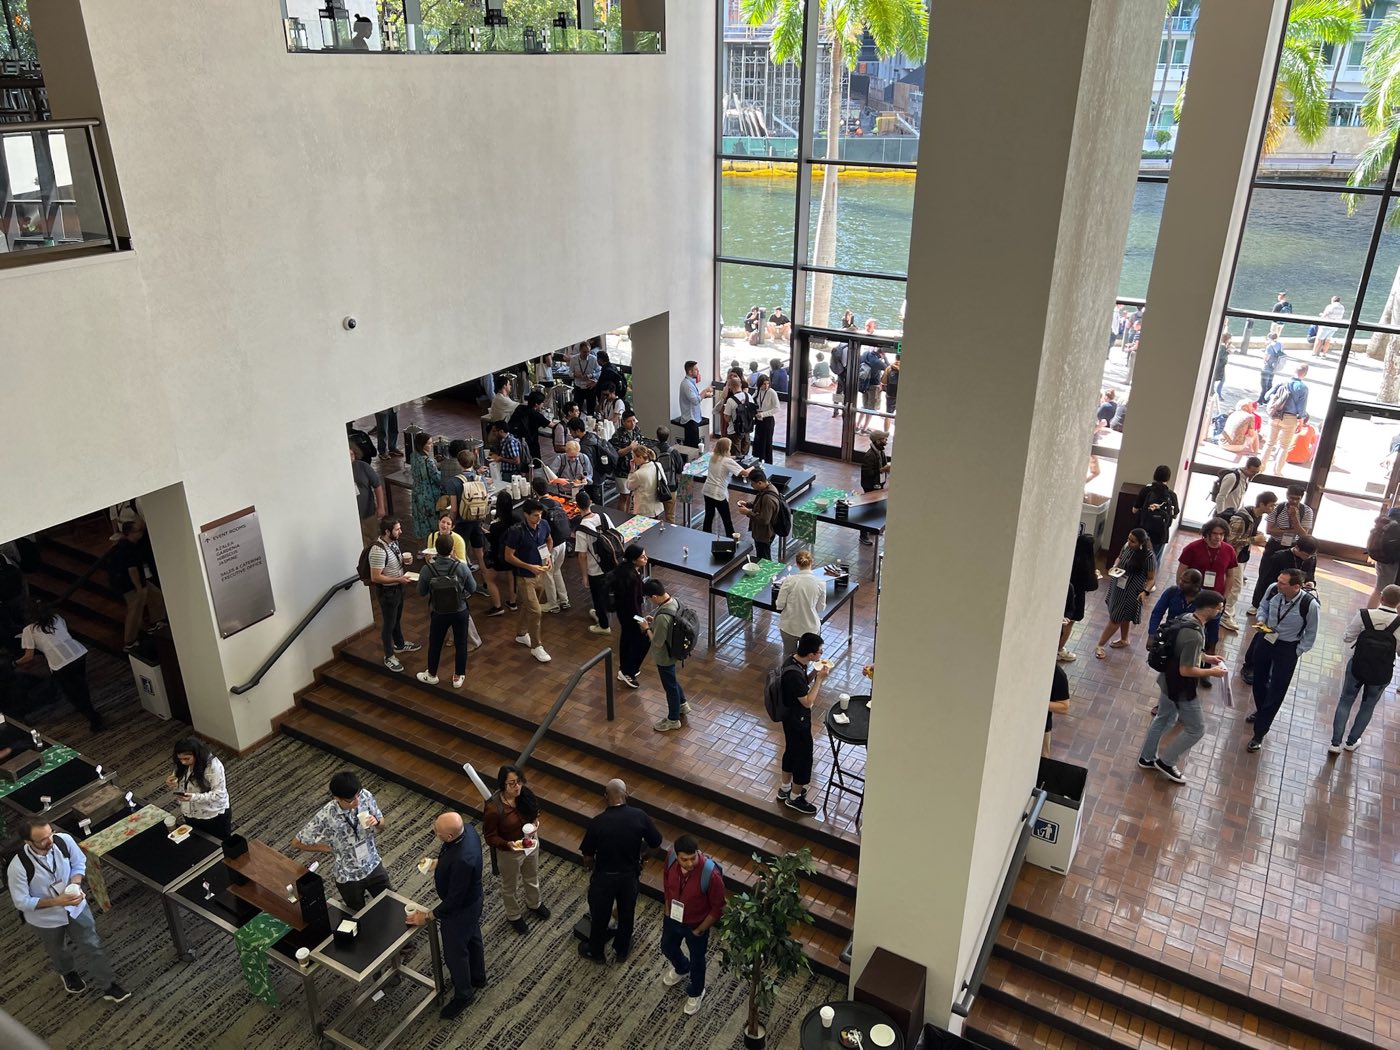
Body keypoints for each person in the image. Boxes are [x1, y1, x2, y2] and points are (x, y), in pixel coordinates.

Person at [7, 817, 128, 1003]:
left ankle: (108, 985)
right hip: (46, 919)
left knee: (92, 945)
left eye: (50, 835)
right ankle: (67, 972)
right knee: (57, 950)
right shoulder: (18, 867)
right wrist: (57, 901)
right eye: (42, 840)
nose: (50, 841)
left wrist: (76, 884)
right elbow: (22, 902)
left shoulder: (63, 841)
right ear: (28, 842)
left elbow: (78, 863)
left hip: (76, 907)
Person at [1137, 590, 1228, 784]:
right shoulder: (1194, 634)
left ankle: (1146, 757)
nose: (1220, 612)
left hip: (1166, 680)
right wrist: (1212, 672)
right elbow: (1186, 670)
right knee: (1197, 728)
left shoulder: (1186, 618)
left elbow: (1185, 650)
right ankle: (1167, 761)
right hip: (1180, 687)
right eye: (1219, 609)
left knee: (1163, 717)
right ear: (1210, 609)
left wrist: (1206, 658)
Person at [407, 812, 485, 1019]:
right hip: (474, 899)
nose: (434, 831)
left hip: (460, 910)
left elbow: (454, 900)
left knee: (454, 954)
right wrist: (438, 863)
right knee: (473, 937)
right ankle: (478, 976)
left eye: (437, 831)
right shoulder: (468, 830)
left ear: (449, 837)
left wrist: (429, 915)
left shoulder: (462, 861)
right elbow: (452, 855)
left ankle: (464, 994)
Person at [579, 779, 662, 963]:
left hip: (604, 878)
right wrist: (644, 858)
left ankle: (596, 952)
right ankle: (622, 950)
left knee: (600, 915)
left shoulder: (597, 823)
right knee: (626, 914)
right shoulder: (640, 816)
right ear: (627, 795)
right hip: (629, 876)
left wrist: (590, 867)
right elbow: (656, 842)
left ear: (605, 797)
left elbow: (587, 857)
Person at [292, 771, 394, 910]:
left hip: (373, 865)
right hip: (348, 877)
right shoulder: (326, 816)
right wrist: (327, 848)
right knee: (358, 914)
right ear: (336, 798)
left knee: (390, 904)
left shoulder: (365, 796)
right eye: (351, 800)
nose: (357, 801)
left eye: (358, 795)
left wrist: (377, 823)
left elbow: (383, 825)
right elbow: (297, 842)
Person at [1246, 568, 1320, 753]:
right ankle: (1262, 711)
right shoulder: (1273, 589)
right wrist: (1262, 620)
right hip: (1266, 637)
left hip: (1288, 647)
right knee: (1258, 679)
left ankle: (1259, 733)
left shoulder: (1310, 605)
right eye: (1278, 580)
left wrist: (1297, 651)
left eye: (1282, 583)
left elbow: (1311, 632)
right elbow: (1263, 606)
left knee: (1277, 689)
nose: (1278, 584)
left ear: (1296, 587)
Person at [660, 834, 727, 1016]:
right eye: (685, 860)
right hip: (673, 916)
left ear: (698, 853)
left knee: (698, 961)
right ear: (677, 855)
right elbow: (667, 882)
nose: (689, 864)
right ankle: (682, 967)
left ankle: (697, 991)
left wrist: (700, 929)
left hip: (696, 925)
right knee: (666, 947)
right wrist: (667, 907)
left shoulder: (710, 874)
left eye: (692, 858)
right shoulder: (671, 858)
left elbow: (718, 907)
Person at [1330, 584, 1400, 756]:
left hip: (1358, 666)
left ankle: (1335, 743)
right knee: (1368, 706)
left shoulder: (1364, 615)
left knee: (1346, 700)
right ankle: (1351, 741)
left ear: (1381, 597)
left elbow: (1347, 638)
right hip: (1381, 673)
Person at [482, 765, 549, 934]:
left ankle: (534, 903)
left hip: (531, 843)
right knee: (510, 886)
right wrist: (507, 844)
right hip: (510, 852)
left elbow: (534, 811)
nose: (517, 786)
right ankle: (513, 915)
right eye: (512, 783)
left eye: (519, 782)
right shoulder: (493, 808)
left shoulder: (524, 794)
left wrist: (535, 823)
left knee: (532, 875)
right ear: (502, 785)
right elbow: (490, 837)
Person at [16, 604, 103, 731]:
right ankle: (90, 710)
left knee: (71, 692)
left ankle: (92, 717)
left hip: (60, 662)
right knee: (81, 685)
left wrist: (14, 663)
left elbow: (29, 657)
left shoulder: (29, 630)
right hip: (77, 653)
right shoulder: (57, 618)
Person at [775, 633, 828, 816]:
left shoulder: (793, 661)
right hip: (798, 721)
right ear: (811, 654)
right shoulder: (794, 675)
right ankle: (795, 797)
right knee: (804, 758)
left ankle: (785, 788)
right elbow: (807, 701)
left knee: (790, 750)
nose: (821, 655)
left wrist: (815, 673)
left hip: (789, 719)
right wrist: (819, 681)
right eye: (820, 652)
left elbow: (801, 684)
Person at [416, 533, 477, 688]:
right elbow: (473, 587)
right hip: (460, 611)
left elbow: (421, 592)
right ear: (452, 550)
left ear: (436, 550)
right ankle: (458, 676)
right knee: (461, 643)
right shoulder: (461, 567)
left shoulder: (427, 569)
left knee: (435, 643)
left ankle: (432, 674)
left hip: (439, 612)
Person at [1176, 517, 1237, 660]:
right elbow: (1181, 572)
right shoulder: (1192, 548)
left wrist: (1224, 596)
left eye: (1222, 534)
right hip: (1195, 596)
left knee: (1213, 632)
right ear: (1207, 533)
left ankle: (1207, 663)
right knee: (1191, 628)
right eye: (1215, 533)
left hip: (1216, 598)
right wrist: (1185, 593)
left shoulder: (1228, 550)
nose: (1218, 537)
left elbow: (1230, 575)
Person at [1249, 484, 1314, 613]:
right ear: (1287, 495)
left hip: (1294, 548)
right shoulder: (1277, 508)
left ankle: (1282, 606)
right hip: (1275, 545)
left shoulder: (1307, 511)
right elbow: (1270, 530)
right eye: (1291, 498)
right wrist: (1291, 530)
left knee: (1289, 577)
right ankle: (1257, 604)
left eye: (1297, 499)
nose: (1294, 501)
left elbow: (1303, 535)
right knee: (1265, 575)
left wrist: (1295, 518)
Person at [504, 499, 554, 663]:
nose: (538, 518)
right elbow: (508, 556)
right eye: (535, 515)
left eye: (540, 514)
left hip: (539, 573)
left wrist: (548, 557)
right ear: (525, 515)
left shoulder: (544, 524)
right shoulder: (516, 531)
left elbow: (549, 540)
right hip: (524, 577)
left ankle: (520, 633)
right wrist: (528, 566)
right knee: (536, 611)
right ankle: (536, 646)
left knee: (529, 606)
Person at [1095, 528, 1156, 660]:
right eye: (1128, 539)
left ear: (1141, 543)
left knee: (1116, 618)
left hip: (1132, 591)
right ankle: (1124, 639)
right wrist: (1115, 565)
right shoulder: (1127, 546)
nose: (1129, 542)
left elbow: (1151, 578)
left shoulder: (1149, 556)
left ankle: (1100, 645)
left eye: (1133, 541)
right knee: (1124, 615)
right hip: (1118, 585)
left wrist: (1145, 592)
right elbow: (1120, 557)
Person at [368, 516, 419, 672]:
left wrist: (404, 563)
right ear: (387, 531)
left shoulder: (393, 542)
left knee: (396, 618)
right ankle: (389, 656)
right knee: (388, 624)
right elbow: (375, 577)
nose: (401, 531)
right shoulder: (378, 550)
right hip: (388, 591)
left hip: (398, 587)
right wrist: (398, 578)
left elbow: (393, 563)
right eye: (397, 529)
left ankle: (400, 644)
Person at [110, 519, 167, 651]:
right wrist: (139, 588)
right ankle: (129, 641)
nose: (141, 533)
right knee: (135, 611)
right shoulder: (128, 548)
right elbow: (132, 570)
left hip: (136, 582)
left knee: (156, 596)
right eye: (138, 531)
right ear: (130, 533)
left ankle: (156, 622)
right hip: (131, 585)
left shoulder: (129, 545)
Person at [642, 578, 690, 733]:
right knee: (672, 680)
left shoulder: (662, 616)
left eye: (649, 598)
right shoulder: (674, 601)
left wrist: (646, 629)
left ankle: (673, 719)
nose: (649, 601)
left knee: (670, 687)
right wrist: (654, 621)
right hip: (675, 650)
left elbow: (657, 642)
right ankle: (682, 704)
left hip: (665, 657)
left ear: (654, 597)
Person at [166, 736, 231, 841]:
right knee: (199, 842)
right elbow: (181, 776)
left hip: (212, 815)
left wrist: (194, 797)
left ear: (197, 754)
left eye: (186, 759)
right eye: (180, 759)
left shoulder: (213, 766)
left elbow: (219, 794)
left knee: (220, 844)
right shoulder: (182, 764)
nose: (183, 762)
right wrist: (173, 780)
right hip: (190, 813)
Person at [573, 491, 614, 636]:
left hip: (595, 569)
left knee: (598, 597)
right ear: (590, 502)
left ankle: (603, 625)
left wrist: (584, 576)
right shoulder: (604, 516)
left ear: (577, 506)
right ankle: (601, 612)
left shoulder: (581, 529)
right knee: (607, 591)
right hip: (611, 563)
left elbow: (582, 556)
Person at [529, 478, 572, 613]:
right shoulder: (557, 503)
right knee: (556, 571)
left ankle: (552, 604)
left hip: (548, 545)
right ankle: (564, 600)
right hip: (563, 542)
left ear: (534, 490)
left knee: (547, 574)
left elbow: (538, 529)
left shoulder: (539, 508)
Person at [776, 551, 825, 661]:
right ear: (811, 563)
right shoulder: (821, 583)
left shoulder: (789, 580)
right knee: (807, 657)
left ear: (797, 564)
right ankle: (803, 675)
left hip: (789, 626)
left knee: (788, 656)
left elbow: (779, 605)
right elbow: (820, 608)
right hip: (810, 628)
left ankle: (788, 675)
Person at [1261, 364, 1310, 473]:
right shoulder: (1303, 388)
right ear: (1305, 374)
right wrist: (1301, 421)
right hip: (1289, 418)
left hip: (1274, 415)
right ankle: (1277, 471)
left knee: (1269, 443)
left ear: (1294, 370)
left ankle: (1260, 468)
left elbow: (1266, 396)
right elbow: (1301, 408)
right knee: (1284, 446)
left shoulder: (1282, 382)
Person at [612, 545, 649, 689]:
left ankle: (626, 668)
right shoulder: (632, 577)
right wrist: (640, 620)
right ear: (634, 560)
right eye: (642, 557)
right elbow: (633, 602)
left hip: (625, 614)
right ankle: (628, 671)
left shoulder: (626, 570)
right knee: (642, 641)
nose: (645, 558)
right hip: (631, 615)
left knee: (627, 639)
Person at [701, 437, 750, 537]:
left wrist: (735, 458)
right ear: (727, 449)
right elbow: (744, 473)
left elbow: (724, 459)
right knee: (727, 520)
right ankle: (732, 540)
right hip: (718, 493)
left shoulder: (712, 456)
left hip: (707, 490)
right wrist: (754, 467)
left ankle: (705, 538)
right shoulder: (727, 461)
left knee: (708, 517)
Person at [1131, 465, 1178, 569]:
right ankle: (1149, 582)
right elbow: (1174, 515)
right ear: (1168, 478)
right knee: (1154, 560)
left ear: (1154, 475)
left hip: (1142, 531)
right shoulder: (1171, 495)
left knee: (1136, 556)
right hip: (1160, 534)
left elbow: (1134, 510)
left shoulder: (1146, 490)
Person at [483, 491, 519, 617]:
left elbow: (492, 539)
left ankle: (497, 606)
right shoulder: (517, 520)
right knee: (512, 575)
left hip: (498, 556)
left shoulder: (495, 525)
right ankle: (513, 602)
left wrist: (485, 532)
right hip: (513, 554)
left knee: (489, 579)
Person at [736, 467, 781, 561]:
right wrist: (748, 504)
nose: (752, 486)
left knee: (764, 559)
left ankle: (767, 575)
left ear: (760, 483)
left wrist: (747, 512)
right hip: (764, 532)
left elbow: (764, 520)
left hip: (764, 534)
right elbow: (760, 504)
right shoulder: (768, 488)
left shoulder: (768, 498)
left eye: (752, 484)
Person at [649, 426, 687, 524]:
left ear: (657, 436)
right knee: (670, 516)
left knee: (653, 515)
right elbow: (680, 469)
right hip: (671, 488)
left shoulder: (652, 451)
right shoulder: (674, 452)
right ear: (668, 437)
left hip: (654, 488)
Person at [1365, 508, 1400, 608]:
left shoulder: (1394, 513)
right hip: (1393, 560)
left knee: (1379, 589)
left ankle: (1368, 618)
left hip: (1384, 556)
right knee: (1382, 590)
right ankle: (1370, 618)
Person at [623, 445, 666, 520]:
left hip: (644, 509)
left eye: (634, 457)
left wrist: (632, 470)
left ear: (640, 457)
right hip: (656, 506)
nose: (633, 459)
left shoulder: (639, 474)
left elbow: (629, 486)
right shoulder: (658, 465)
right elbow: (665, 481)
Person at [678, 360, 714, 448]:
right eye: (696, 370)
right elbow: (695, 400)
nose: (698, 372)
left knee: (695, 443)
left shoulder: (691, 383)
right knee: (692, 446)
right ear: (690, 372)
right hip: (690, 419)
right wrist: (705, 391)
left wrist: (704, 396)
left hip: (695, 417)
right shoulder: (686, 384)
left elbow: (695, 397)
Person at [508, 390, 551, 462]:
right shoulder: (536, 415)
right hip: (530, 444)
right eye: (542, 403)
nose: (543, 405)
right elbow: (551, 425)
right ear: (536, 404)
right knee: (535, 463)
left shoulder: (520, 408)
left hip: (516, 441)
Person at [855, 346, 888, 434]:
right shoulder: (878, 362)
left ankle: (857, 425)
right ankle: (864, 429)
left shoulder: (866, 354)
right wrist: (885, 357)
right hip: (874, 386)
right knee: (871, 409)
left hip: (864, 384)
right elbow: (888, 367)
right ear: (882, 354)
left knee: (864, 406)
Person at [721, 376, 754, 457]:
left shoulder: (731, 400)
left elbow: (727, 418)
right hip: (746, 430)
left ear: (732, 387)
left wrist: (725, 413)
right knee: (745, 457)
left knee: (735, 457)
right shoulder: (748, 396)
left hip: (734, 432)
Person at [752, 374, 780, 464]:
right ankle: (757, 461)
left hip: (767, 420)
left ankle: (769, 463)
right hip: (759, 420)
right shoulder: (758, 391)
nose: (766, 386)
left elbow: (777, 408)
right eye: (764, 384)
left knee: (767, 443)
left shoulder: (772, 392)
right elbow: (752, 401)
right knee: (758, 442)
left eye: (767, 383)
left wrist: (763, 414)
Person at [1045, 663, 1071, 757]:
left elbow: (1064, 707)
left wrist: (1038, 703)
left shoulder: (1057, 673)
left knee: (1042, 763)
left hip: (1041, 728)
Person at [611, 408, 644, 478]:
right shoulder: (617, 435)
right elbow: (616, 453)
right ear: (623, 422)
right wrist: (630, 447)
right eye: (629, 421)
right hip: (622, 472)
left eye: (634, 420)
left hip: (637, 468)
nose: (632, 423)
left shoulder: (637, 430)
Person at [570, 341, 601, 415]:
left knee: (591, 410)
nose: (587, 354)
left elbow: (599, 371)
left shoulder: (593, 359)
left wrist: (592, 375)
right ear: (580, 350)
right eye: (584, 352)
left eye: (588, 352)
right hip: (578, 387)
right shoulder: (574, 359)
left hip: (590, 387)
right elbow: (569, 373)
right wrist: (575, 375)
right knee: (577, 410)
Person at [860, 431, 891, 501]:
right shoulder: (870, 455)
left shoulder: (881, 452)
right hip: (870, 485)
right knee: (871, 502)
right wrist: (882, 470)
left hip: (878, 483)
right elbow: (867, 473)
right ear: (878, 441)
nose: (886, 440)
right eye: (884, 439)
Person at [1259, 334, 1285, 402]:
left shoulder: (1269, 347)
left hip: (1267, 367)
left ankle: (1261, 400)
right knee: (1269, 384)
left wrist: (1263, 355)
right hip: (1274, 367)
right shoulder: (1279, 344)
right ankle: (1268, 399)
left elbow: (1267, 358)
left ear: (1269, 338)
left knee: (1264, 385)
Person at [879, 354, 900, 430]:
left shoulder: (889, 368)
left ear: (896, 358)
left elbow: (883, 381)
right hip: (901, 395)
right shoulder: (907, 368)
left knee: (888, 414)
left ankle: (885, 434)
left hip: (891, 394)